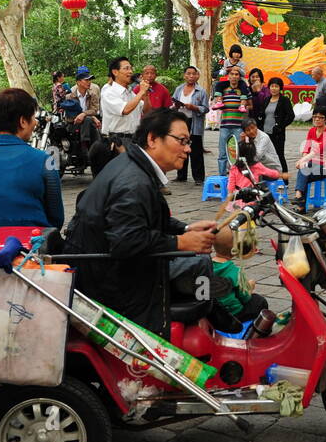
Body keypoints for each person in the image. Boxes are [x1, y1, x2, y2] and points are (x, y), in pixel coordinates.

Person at [63, 108, 217, 335]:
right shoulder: (134, 182)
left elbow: (141, 220)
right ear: (153, 139)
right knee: (201, 265)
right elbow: (127, 241)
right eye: (181, 141)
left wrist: (185, 228)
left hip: (101, 269)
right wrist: (180, 243)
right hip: (112, 284)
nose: (188, 148)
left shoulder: (131, 164)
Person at [0, 88, 65, 241]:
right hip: (29, 250)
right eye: (33, 117)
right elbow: (56, 218)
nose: (35, 122)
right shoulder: (46, 160)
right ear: (23, 122)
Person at [210, 222, 268, 324]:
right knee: (259, 301)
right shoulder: (234, 271)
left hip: (212, 314)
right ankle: (257, 332)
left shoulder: (206, 265)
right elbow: (245, 298)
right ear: (235, 249)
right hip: (233, 314)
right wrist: (250, 286)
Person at [293, 109, 326, 210]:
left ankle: (299, 201)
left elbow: (318, 150)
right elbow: (306, 149)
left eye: (320, 117)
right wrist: (303, 159)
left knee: (303, 173)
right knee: (304, 170)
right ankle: (299, 199)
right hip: (312, 164)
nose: (317, 119)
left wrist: (302, 161)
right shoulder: (312, 131)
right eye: (315, 117)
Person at [172, 66, 209, 184]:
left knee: (196, 150)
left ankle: (198, 178)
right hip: (181, 122)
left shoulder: (201, 91)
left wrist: (194, 107)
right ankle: (181, 175)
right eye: (188, 74)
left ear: (197, 76)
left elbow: (206, 108)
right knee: (181, 148)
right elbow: (172, 104)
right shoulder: (178, 89)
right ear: (184, 75)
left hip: (195, 122)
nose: (191, 76)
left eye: (194, 74)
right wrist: (175, 106)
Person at [212, 66, 251, 177]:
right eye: (232, 74)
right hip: (225, 126)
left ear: (240, 77)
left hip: (238, 127)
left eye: (236, 74)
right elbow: (216, 102)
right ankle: (222, 176)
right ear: (228, 76)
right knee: (223, 154)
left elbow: (250, 104)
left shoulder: (243, 90)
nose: (234, 76)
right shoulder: (222, 89)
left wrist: (245, 108)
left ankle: (237, 177)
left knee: (238, 153)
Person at [65, 66, 102, 148]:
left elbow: (95, 110)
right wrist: (89, 116)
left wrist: (84, 114)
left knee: (88, 121)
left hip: (89, 124)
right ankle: (87, 147)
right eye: (86, 80)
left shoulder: (93, 94)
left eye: (90, 80)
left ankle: (85, 145)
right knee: (88, 120)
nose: (89, 82)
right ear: (78, 82)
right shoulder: (70, 96)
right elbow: (69, 117)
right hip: (74, 124)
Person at [260, 76, 294, 162]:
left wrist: (280, 127)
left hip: (277, 134)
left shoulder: (284, 100)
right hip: (265, 133)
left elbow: (291, 116)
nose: (274, 88)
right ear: (269, 87)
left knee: (279, 155)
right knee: (266, 155)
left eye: (276, 86)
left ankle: (284, 174)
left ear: (280, 88)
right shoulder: (267, 99)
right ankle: (269, 174)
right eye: (272, 86)